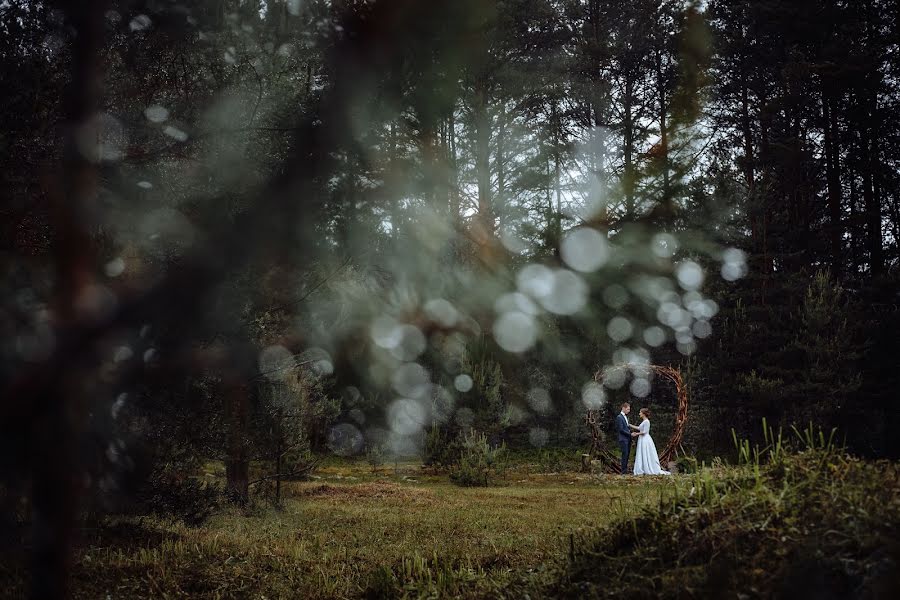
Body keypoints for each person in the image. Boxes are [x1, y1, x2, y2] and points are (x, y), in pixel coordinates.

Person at [632, 408, 671, 475]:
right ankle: (643, 467)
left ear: (643, 414)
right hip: (642, 439)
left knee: (645, 452)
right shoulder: (644, 421)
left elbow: (645, 432)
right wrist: (630, 425)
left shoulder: (647, 421)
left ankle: (648, 467)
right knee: (642, 453)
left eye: (640, 412)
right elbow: (639, 428)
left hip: (645, 439)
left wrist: (636, 434)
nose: (639, 414)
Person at [615, 402, 633, 475]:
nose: (629, 411)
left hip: (628, 438)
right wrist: (630, 434)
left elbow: (627, 427)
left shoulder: (626, 417)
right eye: (628, 409)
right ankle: (623, 471)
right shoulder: (619, 417)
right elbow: (621, 429)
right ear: (623, 408)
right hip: (623, 439)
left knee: (627, 454)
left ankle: (625, 470)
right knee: (624, 454)